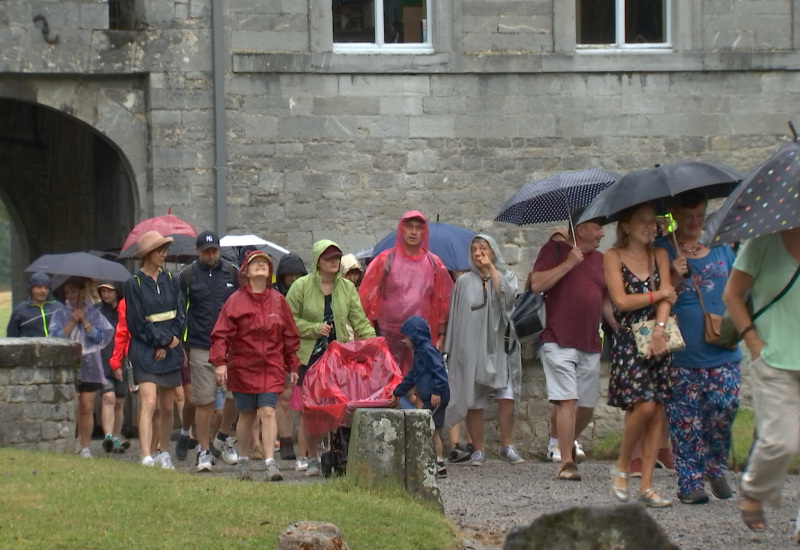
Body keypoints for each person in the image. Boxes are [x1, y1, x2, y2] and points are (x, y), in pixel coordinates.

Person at [653, 190, 742, 505]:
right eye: (688, 217)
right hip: (683, 352)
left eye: (700, 216)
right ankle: (689, 482)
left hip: (723, 346)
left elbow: (737, 288)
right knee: (685, 419)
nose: (694, 222)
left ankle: (714, 464)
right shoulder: (663, 250)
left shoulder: (720, 247)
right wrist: (674, 276)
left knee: (725, 408)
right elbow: (654, 295)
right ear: (676, 214)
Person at [725, 227, 800, 534]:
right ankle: (754, 488)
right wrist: (753, 343)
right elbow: (731, 295)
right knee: (781, 442)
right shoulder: (762, 243)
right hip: (775, 359)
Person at [605, 202, 676, 507]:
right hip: (629, 339)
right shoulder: (613, 256)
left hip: (658, 338)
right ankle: (622, 465)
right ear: (626, 225)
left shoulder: (659, 253)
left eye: (653, 221)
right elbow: (620, 301)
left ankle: (646, 486)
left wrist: (660, 331)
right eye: (643, 221)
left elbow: (669, 296)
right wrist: (657, 294)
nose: (650, 226)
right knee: (642, 407)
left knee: (656, 409)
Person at [530, 208, 610, 481]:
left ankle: (561, 441)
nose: (602, 233)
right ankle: (566, 462)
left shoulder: (601, 260)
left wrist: (620, 325)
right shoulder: (554, 250)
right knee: (567, 400)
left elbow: (606, 300)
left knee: (586, 406)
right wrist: (568, 263)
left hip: (589, 340)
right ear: (582, 227)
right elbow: (536, 284)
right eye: (598, 226)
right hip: (557, 338)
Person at [286, 240, 376, 476]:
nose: (334, 261)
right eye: (328, 258)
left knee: (339, 408)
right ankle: (312, 457)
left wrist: (374, 344)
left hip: (338, 357)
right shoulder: (300, 287)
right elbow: (287, 320)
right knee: (311, 410)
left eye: (337, 257)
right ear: (318, 261)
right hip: (309, 358)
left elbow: (359, 320)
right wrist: (312, 328)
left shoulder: (347, 287)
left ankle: (338, 454)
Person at [209, 250, 301, 482]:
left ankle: (270, 462)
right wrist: (220, 363)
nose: (260, 265)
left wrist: (292, 365)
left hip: (271, 365)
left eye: (264, 263)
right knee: (247, 415)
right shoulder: (235, 301)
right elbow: (220, 334)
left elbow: (290, 335)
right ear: (246, 271)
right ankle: (243, 461)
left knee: (269, 411)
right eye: (255, 263)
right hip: (242, 366)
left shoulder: (279, 301)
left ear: (270, 272)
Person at [444, 234, 524, 467]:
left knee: (506, 395)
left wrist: (492, 270)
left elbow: (507, 300)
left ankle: (507, 445)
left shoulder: (506, 276)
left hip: (500, 345)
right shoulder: (463, 282)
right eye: (475, 249)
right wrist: (454, 349)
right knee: (473, 399)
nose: (478, 253)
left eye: (483, 248)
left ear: (493, 251)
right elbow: (457, 318)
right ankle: (478, 449)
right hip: (472, 347)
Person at [358, 211, 453, 374]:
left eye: (418, 228)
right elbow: (365, 297)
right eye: (409, 227)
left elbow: (444, 302)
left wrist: (442, 335)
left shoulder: (434, 263)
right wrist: (363, 333)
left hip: (420, 339)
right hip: (387, 336)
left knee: (418, 385)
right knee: (387, 383)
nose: (414, 232)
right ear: (401, 229)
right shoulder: (385, 260)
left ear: (424, 232)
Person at [179, 230, 239, 470]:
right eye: (206, 251)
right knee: (203, 400)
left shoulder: (233, 273)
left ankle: (223, 437)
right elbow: (180, 311)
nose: (211, 255)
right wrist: (182, 345)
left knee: (236, 395)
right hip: (201, 344)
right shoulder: (187, 276)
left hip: (231, 346)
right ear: (197, 252)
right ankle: (204, 451)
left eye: (214, 250)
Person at [125, 230, 185, 468]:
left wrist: (170, 342)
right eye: (160, 250)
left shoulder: (172, 280)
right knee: (149, 402)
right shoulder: (134, 283)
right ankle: (145, 456)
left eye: (165, 249)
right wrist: (160, 342)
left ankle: (163, 451)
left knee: (167, 407)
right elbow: (137, 322)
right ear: (148, 254)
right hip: (145, 351)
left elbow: (180, 314)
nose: (164, 254)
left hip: (171, 349)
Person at [50, 277, 114, 458]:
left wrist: (85, 320)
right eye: (67, 292)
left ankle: (85, 446)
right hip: (68, 365)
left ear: (81, 291)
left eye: (74, 291)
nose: (70, 295)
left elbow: (101, 337)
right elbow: (56, 337)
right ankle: (71, 440)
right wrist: (71, 321)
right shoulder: (60, 313)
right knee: (72, 404)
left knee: (87, 406)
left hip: (90, 365)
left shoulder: (94, 313)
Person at [391, 315, 450, 477]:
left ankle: (438, 463)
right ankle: (433, 461)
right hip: (430, 398)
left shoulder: (427, 350)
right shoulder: (419, 352)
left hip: (436, 397)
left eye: (406, 338)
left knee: (432, 430)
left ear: (414, 337)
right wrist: (398, 391)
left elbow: (440, 371)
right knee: (428, 428)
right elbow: (412, 376)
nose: (405, 342)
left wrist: (437, 391)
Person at [271, 251, 308, 461]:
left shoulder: (310, 292)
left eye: (297, 275)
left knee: (305, 398)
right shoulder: (275, 295)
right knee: (284, 397)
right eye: (289, 275)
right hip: (281, 350)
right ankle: (285, 441)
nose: (293, 280)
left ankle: (304, 441)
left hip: (306, 348)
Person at [95, 281, 128, 454]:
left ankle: (116, 437)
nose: (106, 295)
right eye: (103, 291)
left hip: (123, 360)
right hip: (102, 360)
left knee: (120, 401)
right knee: (108, 397)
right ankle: (107, 436)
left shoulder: (125, 310)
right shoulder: (97, 311)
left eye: (109, 291)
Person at [7, 272, 60, 337]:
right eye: (39, 287)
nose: (43, 291)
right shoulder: (20, 310)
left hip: (57, 346)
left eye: (46, 288)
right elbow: (11, 336)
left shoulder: (57, 307)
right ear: (31, 288)